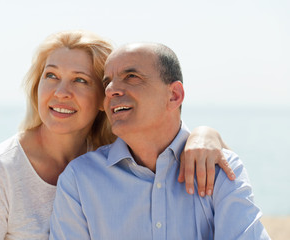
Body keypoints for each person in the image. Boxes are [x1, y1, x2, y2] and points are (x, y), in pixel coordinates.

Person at [0, 31, 233, 240]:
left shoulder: (116, 154)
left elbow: (174, 137)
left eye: (80, 80)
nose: (61, 92)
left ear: (106, 97)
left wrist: (205, 135)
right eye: (51, 76)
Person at [49, 43, 270, 239]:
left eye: (131, 77)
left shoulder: (220, 170)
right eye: (107, 82)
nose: (110, 90)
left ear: (174, 95)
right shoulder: (79, 179)